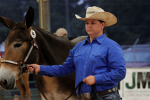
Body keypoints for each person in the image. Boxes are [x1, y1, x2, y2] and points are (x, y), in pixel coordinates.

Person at [27, 6, 126, 100]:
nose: (89, 26)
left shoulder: (112, 46)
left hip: (106, 97)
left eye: (93, 23)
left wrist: (96, 79)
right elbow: (64, 69)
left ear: (102, 25)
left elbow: (120, 72)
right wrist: (40, 68)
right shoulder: (78, 47)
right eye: (87, 23)